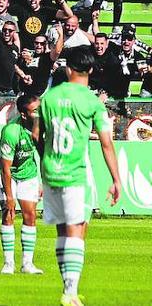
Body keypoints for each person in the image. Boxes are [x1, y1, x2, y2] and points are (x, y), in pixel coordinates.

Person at [38, 50, 122, 306]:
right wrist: (116, 179)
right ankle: (70, 292)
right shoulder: (92, 101)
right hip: (76, 173)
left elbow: (37, 135)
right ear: (92, 71)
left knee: (63, 230)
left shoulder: (49, 97)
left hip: (51, 171)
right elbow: (106, 144)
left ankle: (68, 288)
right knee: (77, 229)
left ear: (67, 69)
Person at [0, 93, 43, 276]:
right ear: (24, 114)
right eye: (35, 111)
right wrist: (9, 196)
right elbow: (6, 168)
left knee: (30, 215)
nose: (39, 113)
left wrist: (42, 181)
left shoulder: (41, 125)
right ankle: (8, 264)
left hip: (28, 172)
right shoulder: (11, 131)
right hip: (7, 173)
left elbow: (42, 154)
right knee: (9, 213)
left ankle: (27, 264)